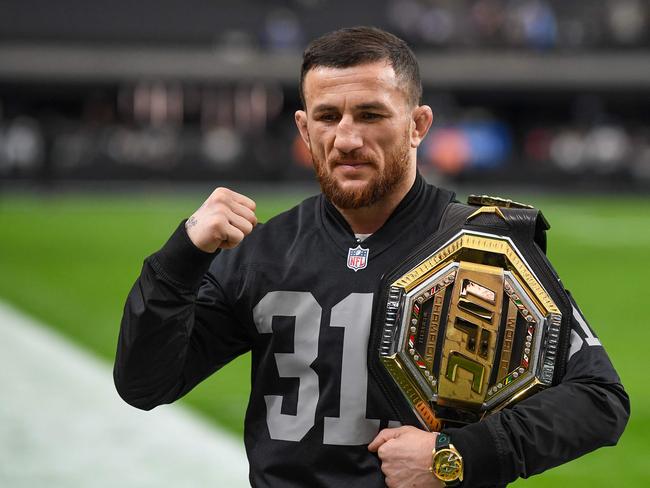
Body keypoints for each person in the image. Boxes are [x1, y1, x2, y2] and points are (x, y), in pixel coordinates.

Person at [114, 26, 629, 487]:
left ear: (418, 124)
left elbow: (599, 399)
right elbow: (145, 384)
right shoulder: (263, 251)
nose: (347, 138)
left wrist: (459, 456)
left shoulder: (490, 249)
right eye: (327, 117)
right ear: (303, 129)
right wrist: (181, 256)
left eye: (370, 114)